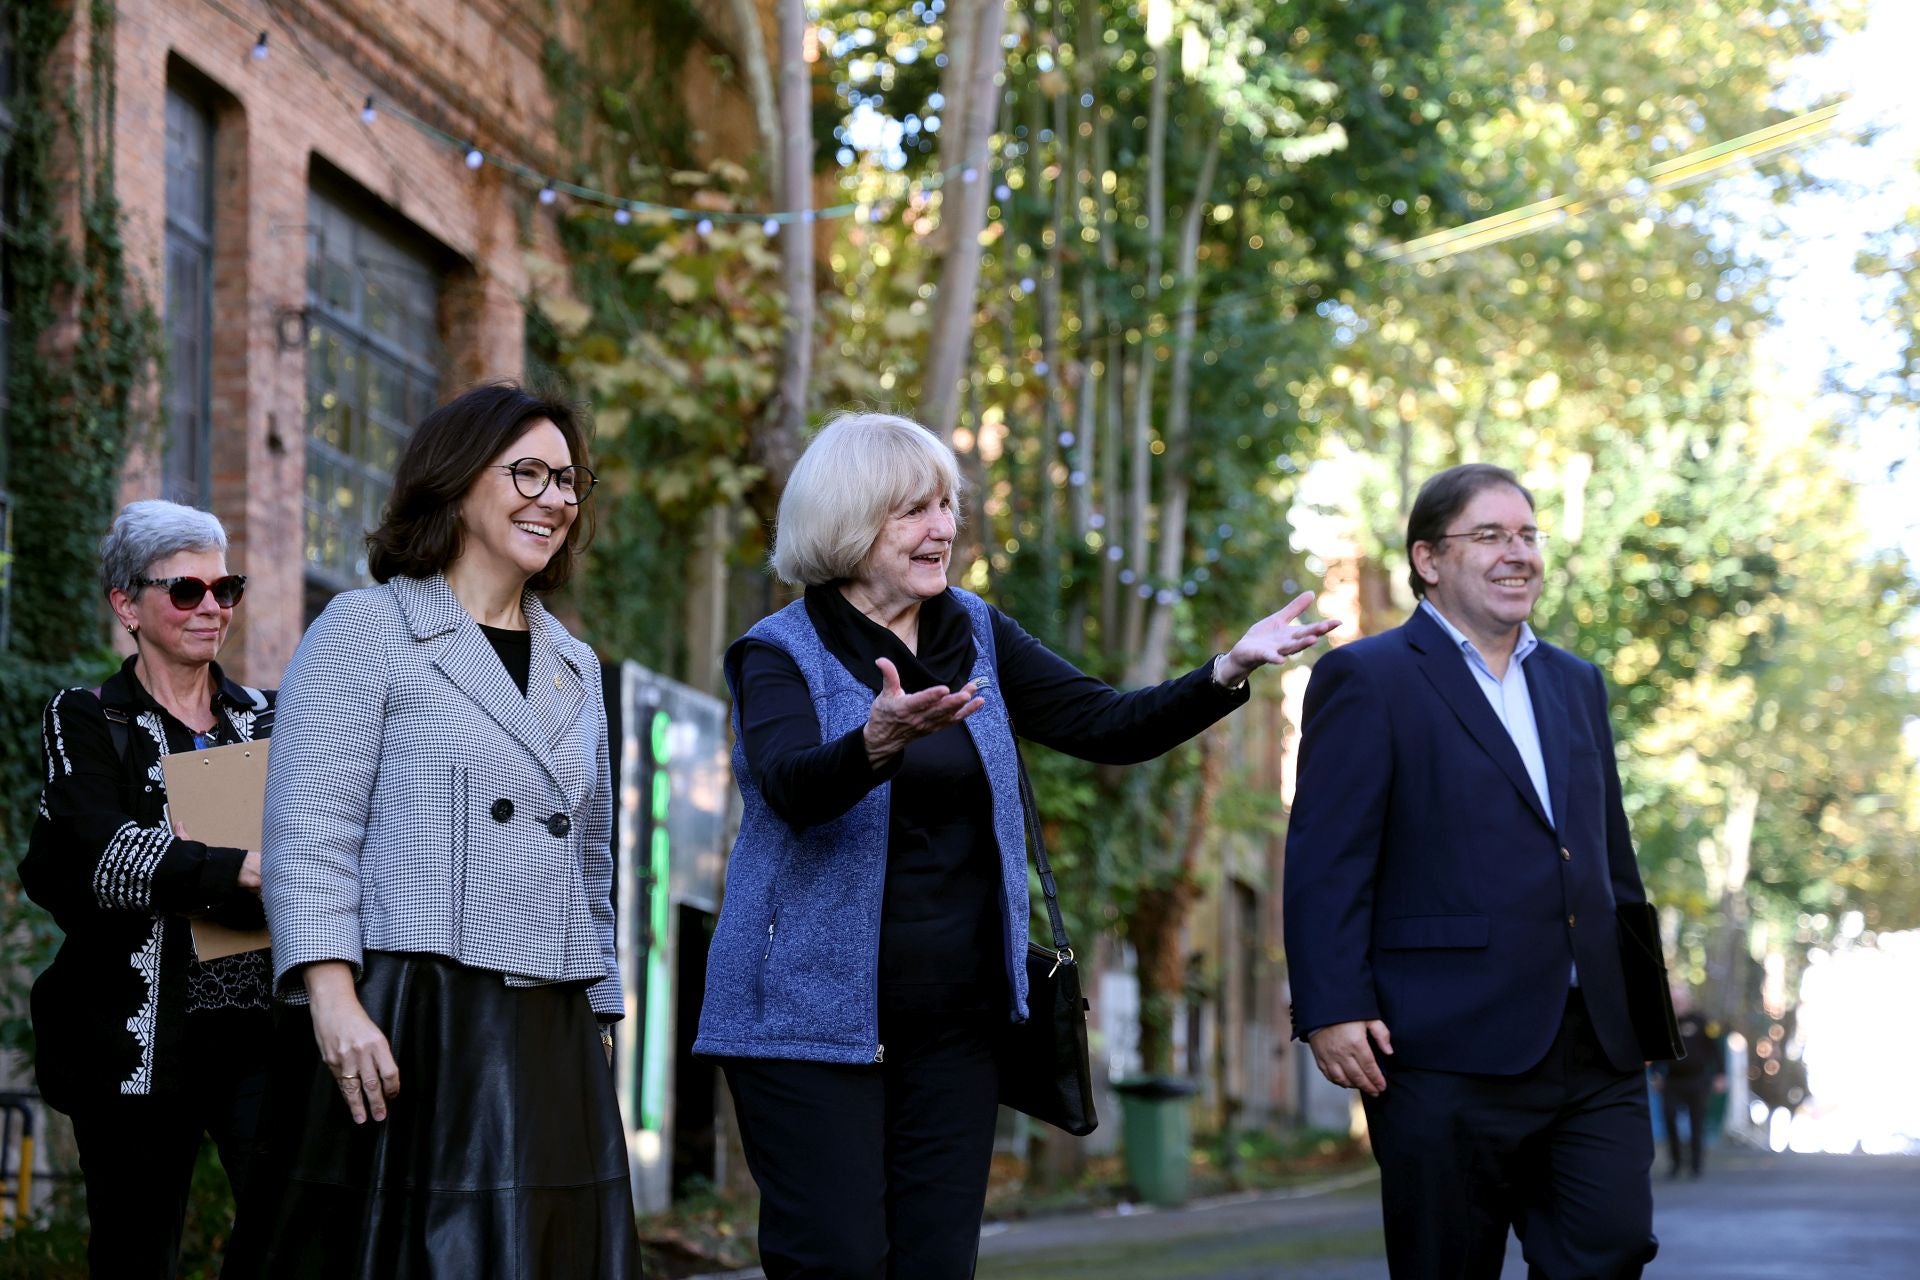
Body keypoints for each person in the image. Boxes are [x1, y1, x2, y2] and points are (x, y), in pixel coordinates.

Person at [694, 411, 1338, 1279]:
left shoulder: (973, 631)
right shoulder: (781, 652)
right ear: (848, 520)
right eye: (914, 511)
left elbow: (1104, 723)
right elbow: (788, 785)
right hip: (810, 1020)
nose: (945, 528)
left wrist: (1225, 671)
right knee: (834, 1261)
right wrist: (874, 744)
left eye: (948, 506)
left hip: (957, 1019)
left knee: (935, 1264)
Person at [241, 383, 641, 1278]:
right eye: (527, 473)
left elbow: (589, 858)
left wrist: (602, 1010)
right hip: (413, 1011)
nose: (554, 499)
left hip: (549, 1021)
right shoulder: (368, 628)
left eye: (567, 481)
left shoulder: (576, 664)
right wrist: (331, 996)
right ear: (458, 482)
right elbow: (309, 829)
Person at [1283, 463, 1660, 1279]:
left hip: (1592, 1040)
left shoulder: (1576, 683)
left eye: (1526, 535)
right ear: (1428, 559)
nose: (1516, 553)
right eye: (1489, 535)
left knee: (1613, 1248)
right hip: (1438, 1043)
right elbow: (1328, 856)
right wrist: (1330, 1006)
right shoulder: (1368, 677)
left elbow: (1607, 854)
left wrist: (1643, 1005)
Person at [20, 500, 274, 1278]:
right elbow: (100, 855)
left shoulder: (265, 721)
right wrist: (237, 870)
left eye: (225, 588)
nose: (213, 609)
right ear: (126, 604)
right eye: (186, 591)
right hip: (133, 1044)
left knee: (292, 1229)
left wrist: (181, 864)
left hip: (259, 1032)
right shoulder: (88, 719)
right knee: (134, 1254)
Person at [1651, 987, 1728, 1179]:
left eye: (1680, 1001)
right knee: (1669, 1117)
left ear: (1687, 1001)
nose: (1677, 1004)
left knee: (1697, 1122)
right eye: (1674, 1001)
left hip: (1697, 1080)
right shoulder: (1665, 1023)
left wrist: (1720, 1074)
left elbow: (1715, 1049)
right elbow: (1656, 1051)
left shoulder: (1702, 1021)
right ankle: (1675, 1163)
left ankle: (1696, 1165)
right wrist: (1656, 1074)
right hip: (1673, 1080)